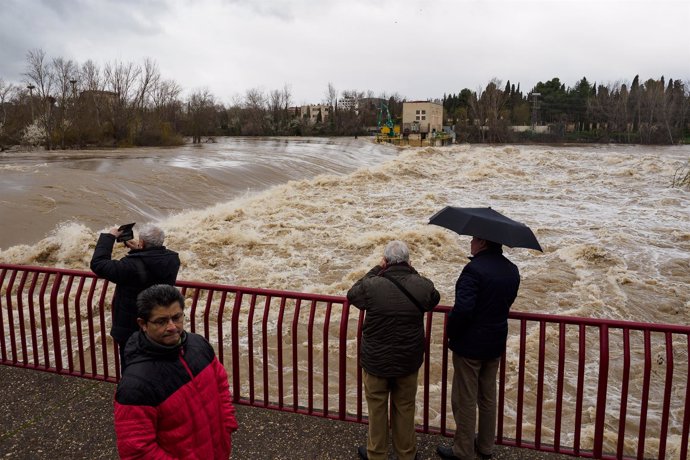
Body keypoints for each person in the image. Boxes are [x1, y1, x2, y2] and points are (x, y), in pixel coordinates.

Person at [114, 284, 238, 459]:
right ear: (143, 324)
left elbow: (220, 382)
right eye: (161, 321)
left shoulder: (198, 345)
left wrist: (227, 424)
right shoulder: (135, 385)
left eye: (177, 317)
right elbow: (137, 451)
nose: (172, 327)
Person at [347, 240, 440, 460]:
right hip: (407, 360)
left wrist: (378, 268)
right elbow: (433, 298)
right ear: (408, 261)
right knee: (405, 407)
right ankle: (406, 453)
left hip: (376, 361)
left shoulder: (372, 285)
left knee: (377, 409)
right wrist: (411, 268)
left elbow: (353, 294)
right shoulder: (422, 286)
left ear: (386, 261)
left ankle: (377, 454)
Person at [437, 237, 520, 460]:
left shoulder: (473, 270)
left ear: (482, 243)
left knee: (465, 399)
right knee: (487, 396)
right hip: (495, 341)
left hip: (470, 344)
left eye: (474, 239)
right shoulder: (511, 270)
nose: (471, 242)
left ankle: (463, 451)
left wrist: (452, 332)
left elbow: (463, 309)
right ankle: (485, 447)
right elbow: (506, 302)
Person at [90, 223, 180, 369]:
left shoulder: (130, 265)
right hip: (159, 322)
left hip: (132, 328)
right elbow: (153, 261)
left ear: (142, 242)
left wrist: (110, 236)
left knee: (133, 367)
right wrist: (140, 250)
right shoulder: (172, 260)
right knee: (157, 366)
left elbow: (98, 263)